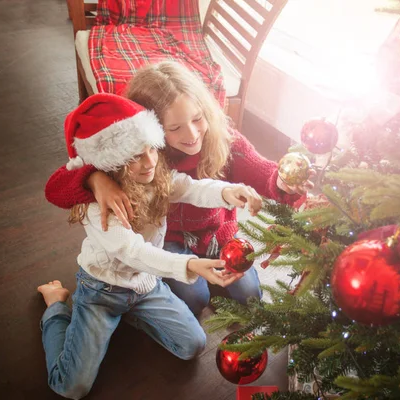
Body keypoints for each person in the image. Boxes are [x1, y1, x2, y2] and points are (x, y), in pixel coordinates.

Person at [44, 61, 314, 315]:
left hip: (218, 236)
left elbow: (261, 170)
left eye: (197, 119)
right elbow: (56, 186)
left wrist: (281, 181)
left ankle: (210, 280)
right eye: (175, 128)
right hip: (171, 242)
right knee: (195, 299)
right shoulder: (143, 156)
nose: (193, 135)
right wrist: (94, 178)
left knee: (250, 294)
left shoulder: (223, 139)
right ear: (151, 129)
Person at [38, 93, 262, 399]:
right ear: (111, 162)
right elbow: (134, 252)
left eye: (151, 149)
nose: (150, 162)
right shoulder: (98, 206)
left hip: (144, 288)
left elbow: (193, 188)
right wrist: (189, 265)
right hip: (101, 293)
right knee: (71, 386)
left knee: (192, 345)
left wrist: (230, 192)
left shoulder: (156, 177)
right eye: (135, 156)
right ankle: (55, 307)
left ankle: (129, 316)